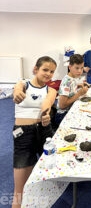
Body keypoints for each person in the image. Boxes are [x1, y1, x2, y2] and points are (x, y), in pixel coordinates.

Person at [12, 56, 57, 208]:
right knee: (20, 189)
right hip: (23, 134)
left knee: (47, 177)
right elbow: (18, 89)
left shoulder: (51, 90)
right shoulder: (23, 84)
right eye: (45, 70)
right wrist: (17, 93)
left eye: (52, 71)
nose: (48, 74)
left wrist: (46, 114)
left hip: (45, 132)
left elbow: (48, 102)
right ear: (35, 69)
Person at [55, 54, 89, 126]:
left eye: (82, 68)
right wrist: (79, 93)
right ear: (70, 67)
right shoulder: (66, 82)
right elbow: (62, 106)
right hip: (62, 115)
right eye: (77, 68)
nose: (80, 71)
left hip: (70, 110)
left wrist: (78, 85)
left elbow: (71, 89)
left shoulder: (72, 78)